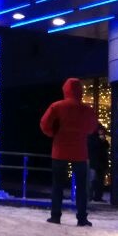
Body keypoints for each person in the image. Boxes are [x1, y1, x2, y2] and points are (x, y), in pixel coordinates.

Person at [40, 78, 98, 226]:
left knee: (57, 185)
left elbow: (45, 124)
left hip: (60, 150)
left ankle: (55, 216)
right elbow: (92, 127)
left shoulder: (57, 106)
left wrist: (53, 133)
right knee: (82, 187)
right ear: (80, 91)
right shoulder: (86, 109)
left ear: (65, 90)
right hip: (80, 152)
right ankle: (82, 218)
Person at [87, 126, 110, 202]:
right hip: (95, 162)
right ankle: (91, 196)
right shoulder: (93, 138)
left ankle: (96, 196)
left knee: (98, 180)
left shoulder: (100, 138)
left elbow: (106, 146)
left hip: (99, 162)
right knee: (93, 180)